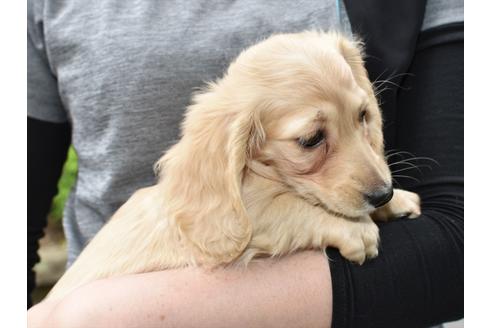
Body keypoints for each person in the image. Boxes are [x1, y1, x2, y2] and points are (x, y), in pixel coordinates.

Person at [27, 0, 463, 327]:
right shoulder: (217, 182)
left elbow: (465, 242)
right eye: (312, 140)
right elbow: (224, 230)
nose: (375, 178)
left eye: (362, 114)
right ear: (237, 143)